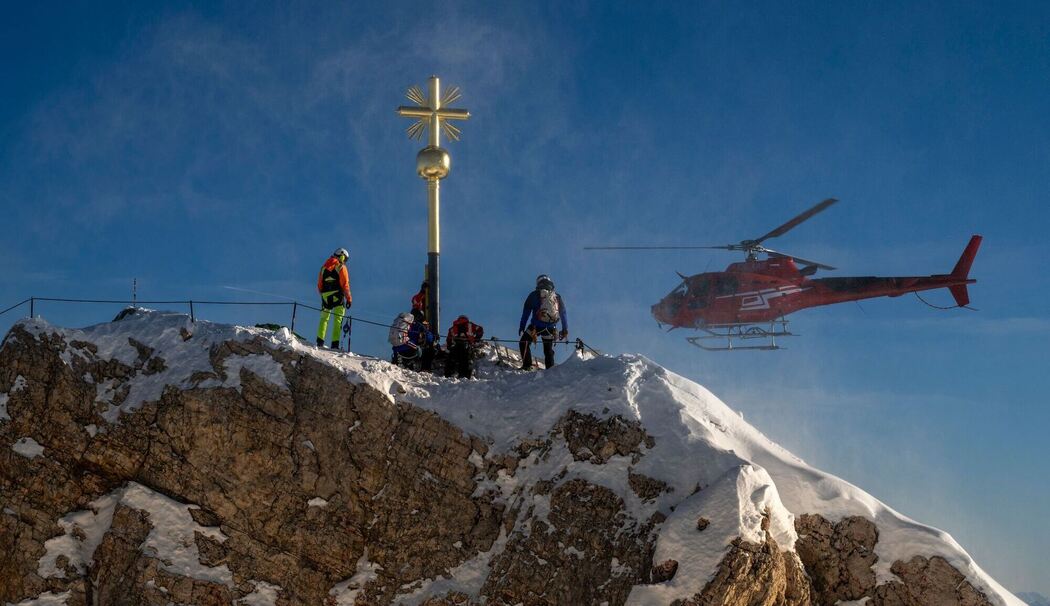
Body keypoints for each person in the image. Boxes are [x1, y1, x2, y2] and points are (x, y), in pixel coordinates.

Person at [518, 274, 568, 370]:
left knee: (524, 342)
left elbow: (526, 312)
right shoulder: (556, 296)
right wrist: (565, 329)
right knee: (548, 350)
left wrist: (522, 326)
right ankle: (550, 371)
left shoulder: (534, 295)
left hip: (536, 327)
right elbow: (563, 313)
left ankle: (527, 365)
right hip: (550, 328)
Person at [317, 248, 352, 349]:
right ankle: (335, 344)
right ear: (342, 256)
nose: (344, 261)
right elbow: (345, 285)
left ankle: (319, 342)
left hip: (325, 297)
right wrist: (349, 299)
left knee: (324, 319)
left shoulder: (323, 268)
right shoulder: (341, 267)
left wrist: (324, 295)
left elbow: (319, 286)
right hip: (338, 296)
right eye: (345, 259)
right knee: (338, 320)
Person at [444, 315, 484, 379]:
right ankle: (464, 375)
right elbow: (480, 329)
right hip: (467, 345)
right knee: (465, 358)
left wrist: (449, 346)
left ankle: (448, 374)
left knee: (451, 358)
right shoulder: (470, 325)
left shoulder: (452, 328)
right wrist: (476, 339)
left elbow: (449, 339)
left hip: (456, 346)